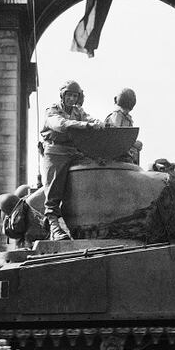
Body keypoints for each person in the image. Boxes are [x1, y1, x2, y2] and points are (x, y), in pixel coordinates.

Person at [39, 81, 103, 240]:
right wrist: (85, 125)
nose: (72, 99)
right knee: (54, 190)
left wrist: (98, 123)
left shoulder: (78, 111)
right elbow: (60, 124)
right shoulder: (53, 110)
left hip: (75, 151)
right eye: (69, 95)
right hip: (56, 152)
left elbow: (91, 119)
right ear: (63, 95)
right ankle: (54, 227)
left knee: (95, 168)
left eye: (75, 96)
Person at [104, 88, 143, 164]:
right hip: (113, 153)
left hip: (124, 152)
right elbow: (116, 134)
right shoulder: (117, 115)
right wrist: (133, 143)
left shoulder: (127, 118)